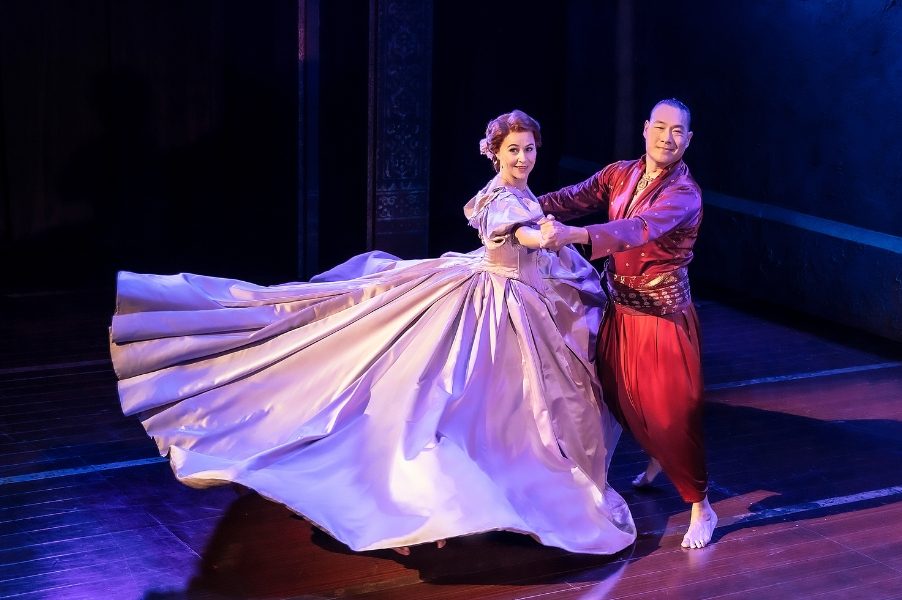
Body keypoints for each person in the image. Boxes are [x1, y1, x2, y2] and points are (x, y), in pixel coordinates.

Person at [109, 109, 636, 556]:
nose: (522, 158)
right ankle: (433, 495)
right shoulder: (504, 199)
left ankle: (492, 491)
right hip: (500, 299)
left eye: (528, 150)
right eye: (513, 150)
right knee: (471, 397)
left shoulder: (517, 191)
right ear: (495, 153)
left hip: (518, 295)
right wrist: (545, 236)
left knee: (505, 406)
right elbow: (517, 231)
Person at [538, 98, 718, 549]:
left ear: (688, 140)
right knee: (617, 395)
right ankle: (657, 458)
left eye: (678, 131)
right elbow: (575, 197)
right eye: (660, 127)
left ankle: (702, 506)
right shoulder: (622, 173)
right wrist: (522, 206)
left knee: (674, 413)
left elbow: (637, 229)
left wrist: (574, 236)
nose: (667, 137)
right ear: (645, 129)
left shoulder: (684, 194)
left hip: (662, 317)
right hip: (621, 306)